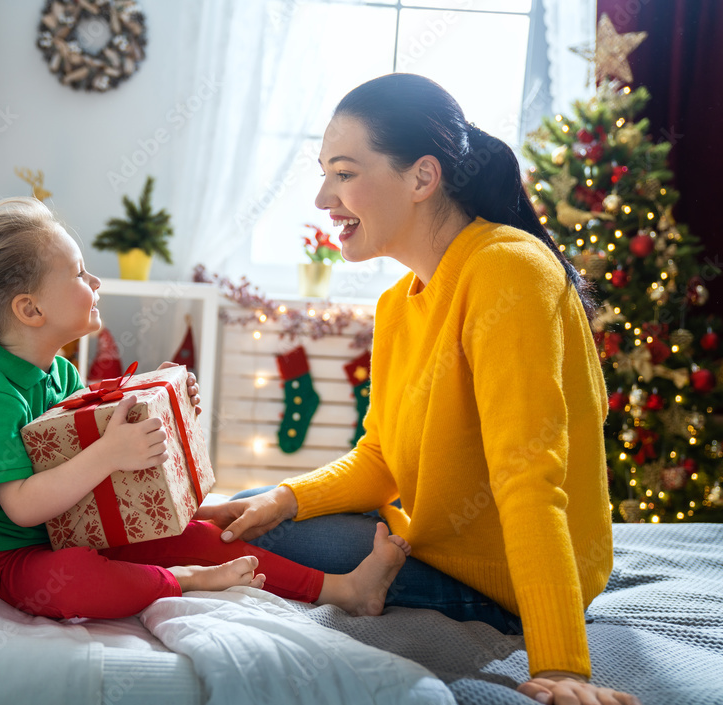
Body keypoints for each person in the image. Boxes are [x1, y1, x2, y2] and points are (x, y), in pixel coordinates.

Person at [197, 74, 640, 705]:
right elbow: (380, 460)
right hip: (431, 541)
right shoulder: (397, 304)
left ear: (422, 178)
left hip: (501, 585)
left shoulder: (507, 269)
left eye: (344, 173)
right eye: (323, 173)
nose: (324, 196)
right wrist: (288, 496)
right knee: (248, 509)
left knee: (231, 536)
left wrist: (565, 665)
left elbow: (527, 474)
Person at [0, 196, 410, 621]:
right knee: (69, 581)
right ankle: (186, 581)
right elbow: (24, 506)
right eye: (78, 273)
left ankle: (342, 590)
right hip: (19, 556)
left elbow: (90, 454)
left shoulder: (62, 372)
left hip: (80, 527)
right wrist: (110, 452)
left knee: (203, 534)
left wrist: (167, 399)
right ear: (30, 309)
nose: (93, 283)